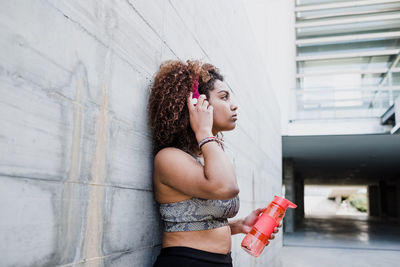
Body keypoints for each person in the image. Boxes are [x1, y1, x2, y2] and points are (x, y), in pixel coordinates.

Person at [148, 60, 280, 266]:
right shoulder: (168, 157)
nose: (234, 105)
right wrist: (204, 131)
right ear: (196, 104)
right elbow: (226, 187)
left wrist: (240, 225)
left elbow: (200, 222)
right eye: (224, 97)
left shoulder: (206, 157)